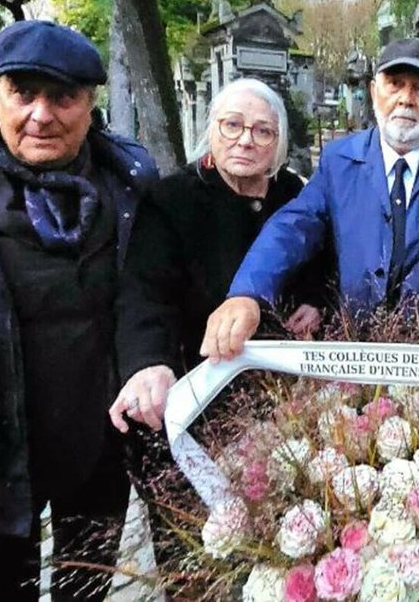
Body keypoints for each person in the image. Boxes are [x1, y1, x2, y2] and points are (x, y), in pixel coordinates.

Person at [0, 20, 158, 601]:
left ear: (90, 103)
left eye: (63, 97)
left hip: (98, 449)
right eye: (23, 93)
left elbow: (153, 295)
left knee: (85, 591)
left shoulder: (131, 182)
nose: (41, 115)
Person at [201, 39, 419, 369]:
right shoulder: (339, 162)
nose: (406, 99)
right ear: (374, 92)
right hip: (350, 360)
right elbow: (293, 228)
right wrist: (247, 293)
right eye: (395, 84)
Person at [107, 79, 328, 584]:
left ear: (279, 141)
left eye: (262, 131)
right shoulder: (171, 200)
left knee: (275, 542)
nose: (245, 139)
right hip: (197, 395)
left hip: (275, 403)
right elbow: (145, 293)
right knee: (197, 553)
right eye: (232, 126)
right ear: (212, 130)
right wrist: (149, 363)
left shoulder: (292, 194)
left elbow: (317, 255)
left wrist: (314, 299)